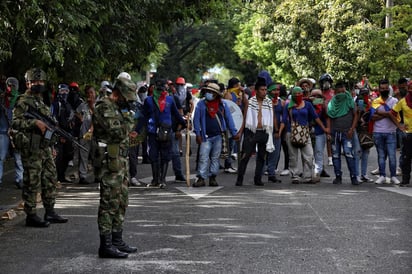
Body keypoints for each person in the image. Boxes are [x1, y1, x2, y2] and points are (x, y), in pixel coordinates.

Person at [12, 68, 68, 227]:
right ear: (28, 83)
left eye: (41, 81)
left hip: (44, 148)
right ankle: (31, 215)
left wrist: (52, 144)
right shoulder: (23, 102)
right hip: (31, 148)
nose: (38, 84)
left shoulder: (41, 101)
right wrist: (34, 123)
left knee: (50, 178)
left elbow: (48, 127)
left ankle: (50, 211)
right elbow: (15, 122)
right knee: (32, 181)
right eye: (35, 82)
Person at [93, 77, 138, 258]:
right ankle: (106, 245)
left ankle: (117, 240)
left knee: (121, 202)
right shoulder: (104, 107)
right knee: (108, 203)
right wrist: (129, 119)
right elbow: (117, 132)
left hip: (120, 162)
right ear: (117, 93)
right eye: (126, 97)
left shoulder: (117, 109)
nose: (128, 101)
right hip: (109, 163)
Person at [139, 79, 186, 188]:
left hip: (162, 132)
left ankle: (159, 180)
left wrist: (184, 123)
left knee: (161, 156)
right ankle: (159, 180)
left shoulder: (168, 100)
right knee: (156, 156)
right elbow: (143, 117)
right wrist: (136, 131)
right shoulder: (152, 100)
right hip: (157, 132)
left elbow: (176, 115)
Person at [193, 83, 240, 187]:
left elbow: (229, 119)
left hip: (219, 136)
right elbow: (196, 120)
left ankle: (213, 177)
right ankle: (201, 178)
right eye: (208, 92)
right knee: (203, 157)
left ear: (216, 94)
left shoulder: (222, 105)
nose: (209, 94)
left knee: (215, 158)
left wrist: (234, 132)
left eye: (211, 92)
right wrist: (197, 133)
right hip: (205, 136)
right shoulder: (201, 104)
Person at [280, 86, 328, 184]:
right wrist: (279, 133)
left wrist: (324, 128)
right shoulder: (288, 105)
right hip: (291, 132)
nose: (297, 95)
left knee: (309, 155)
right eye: (295, 93)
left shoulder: (307, 105)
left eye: (299, 93)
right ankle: (295, 176)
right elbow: (284, 120)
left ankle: (307, 176)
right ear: (292, 95)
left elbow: (315, 117)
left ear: (302, 94)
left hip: (305, 132)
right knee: (293, 156)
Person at [235, 77, 275, 186]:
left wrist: (272, 132)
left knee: (262, 157)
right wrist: (240, 132)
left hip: (264, 131)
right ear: (256, 91)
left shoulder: (268, 102)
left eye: (266, 90)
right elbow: (245, 117)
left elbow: (272, 117)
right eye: (262, 90)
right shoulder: (250, 102)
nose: (264, 92)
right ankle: (240, 179)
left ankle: (258, 179)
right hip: (251, 131)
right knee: (245, 156)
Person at [326, 82, 359, 185]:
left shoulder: (350, 101)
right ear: (335, 92)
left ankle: (354, 177)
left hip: (347, 133)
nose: (341, 94)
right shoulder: (332, 103)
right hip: (335, 133)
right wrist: (329, 132)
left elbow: (356, 115)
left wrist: (352, 129)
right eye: (338, 92)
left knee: (349, 154)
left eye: (343, 92)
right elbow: (329, 117)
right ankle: (338, 177)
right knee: (335, 155)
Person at [370, 79, 400, 185]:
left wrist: (382, 113)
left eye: (386, 88)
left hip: (391, 132)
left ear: (389, 88)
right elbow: (372, 117)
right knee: (381, 156)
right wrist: (387, 114)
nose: (384, 90)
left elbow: (395, 115)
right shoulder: (375, 101)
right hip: (378, 132)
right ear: (379, 89)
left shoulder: (394, 101)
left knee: (392, 156)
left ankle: (393, 176)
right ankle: (382, 175)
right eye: (382, 88)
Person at [0, 77, 24, 189]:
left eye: (13, 85)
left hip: (16, 131)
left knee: (18, 157)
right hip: (3, 132)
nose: (11, 88)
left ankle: (20, 179)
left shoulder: (20, 99)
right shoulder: (2, 98)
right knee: (1, 157)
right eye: (9, 85)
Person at [51, 84, 75, 183]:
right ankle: (56, 177)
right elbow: (53, 120)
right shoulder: (55, 104)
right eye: (62, 91)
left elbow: (71, 120)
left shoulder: (68, 104)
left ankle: (62, 176)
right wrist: (60, 135)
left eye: (66, 91)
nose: (64, 93)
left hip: (68, 134)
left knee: (68, 155)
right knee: (58, 157)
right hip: (58, 135)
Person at [392, 80, 412, 187]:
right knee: (406, 157)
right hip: (408, 134)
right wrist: (399, 125)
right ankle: (405, 179)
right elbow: (392, 113)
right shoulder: (402, 102)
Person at [75, 85, 96, 184]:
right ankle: (82, 176)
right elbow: (76, 112)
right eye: (88, 93)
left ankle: (98, 175)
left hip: (96, 135)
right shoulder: (83, 105)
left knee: (96, 155)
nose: (90, 95)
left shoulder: (99, 105)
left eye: (91, 92)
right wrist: (80, 117)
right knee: (83, 154)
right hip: (84, 134)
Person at [265, 83, 283, 183]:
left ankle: (271, 173)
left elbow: (283, 117)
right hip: (266, 129)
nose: (276, 92)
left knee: (275, 153)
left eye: (278, 90)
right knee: (264, 152)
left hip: (277, 131)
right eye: (274, 90)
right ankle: (259, 173)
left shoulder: (281, 102)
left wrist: (279, 130)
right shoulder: (265, 101)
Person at [319, 73, 334, 166]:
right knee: (323, 139)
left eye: (328, 81)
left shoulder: (334, 92)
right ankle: (325, 158)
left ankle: (331, 157)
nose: (326, 83)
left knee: (331, 138)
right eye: (324, 81)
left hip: (332, 118)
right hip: (321, 118)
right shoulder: (319, 93)